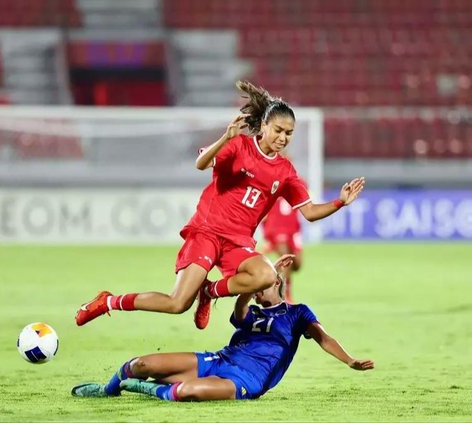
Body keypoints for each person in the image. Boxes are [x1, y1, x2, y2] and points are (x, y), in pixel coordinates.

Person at [75, 80, 365, 330]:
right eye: (278, 130)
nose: (282, 138)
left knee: (266, 276)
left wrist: (340, 202)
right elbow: (200, 164)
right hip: (207, 231)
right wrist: (225, 137)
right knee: (177, 304)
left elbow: (311, 212)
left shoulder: (286, 171)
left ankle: (210, 292)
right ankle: (109, 301)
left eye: (289, 134)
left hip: (237, 242)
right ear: (263, 125)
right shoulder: (239, 146)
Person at [71, 256, 374, 401]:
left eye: (264, 285)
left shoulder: (297, 313)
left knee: (188, 392)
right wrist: (249, 287)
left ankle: (144, 388)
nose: (258, 292)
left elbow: (323, 338)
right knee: (140, 363)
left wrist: (349, 360)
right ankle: (107, 390)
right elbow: (239, 312)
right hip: (219, 361)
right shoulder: (250, 310)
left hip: (249, 380)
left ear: (277, 282)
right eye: (257, 288)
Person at [261, 155, 305, 303]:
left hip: (293, 230)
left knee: (297, 264)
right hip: (276, 228)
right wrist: (266, 231)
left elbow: (305, 205)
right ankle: (284, 295)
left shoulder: (300, 183)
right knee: (286, 259)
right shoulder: (268, 183)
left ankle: (274, 278)